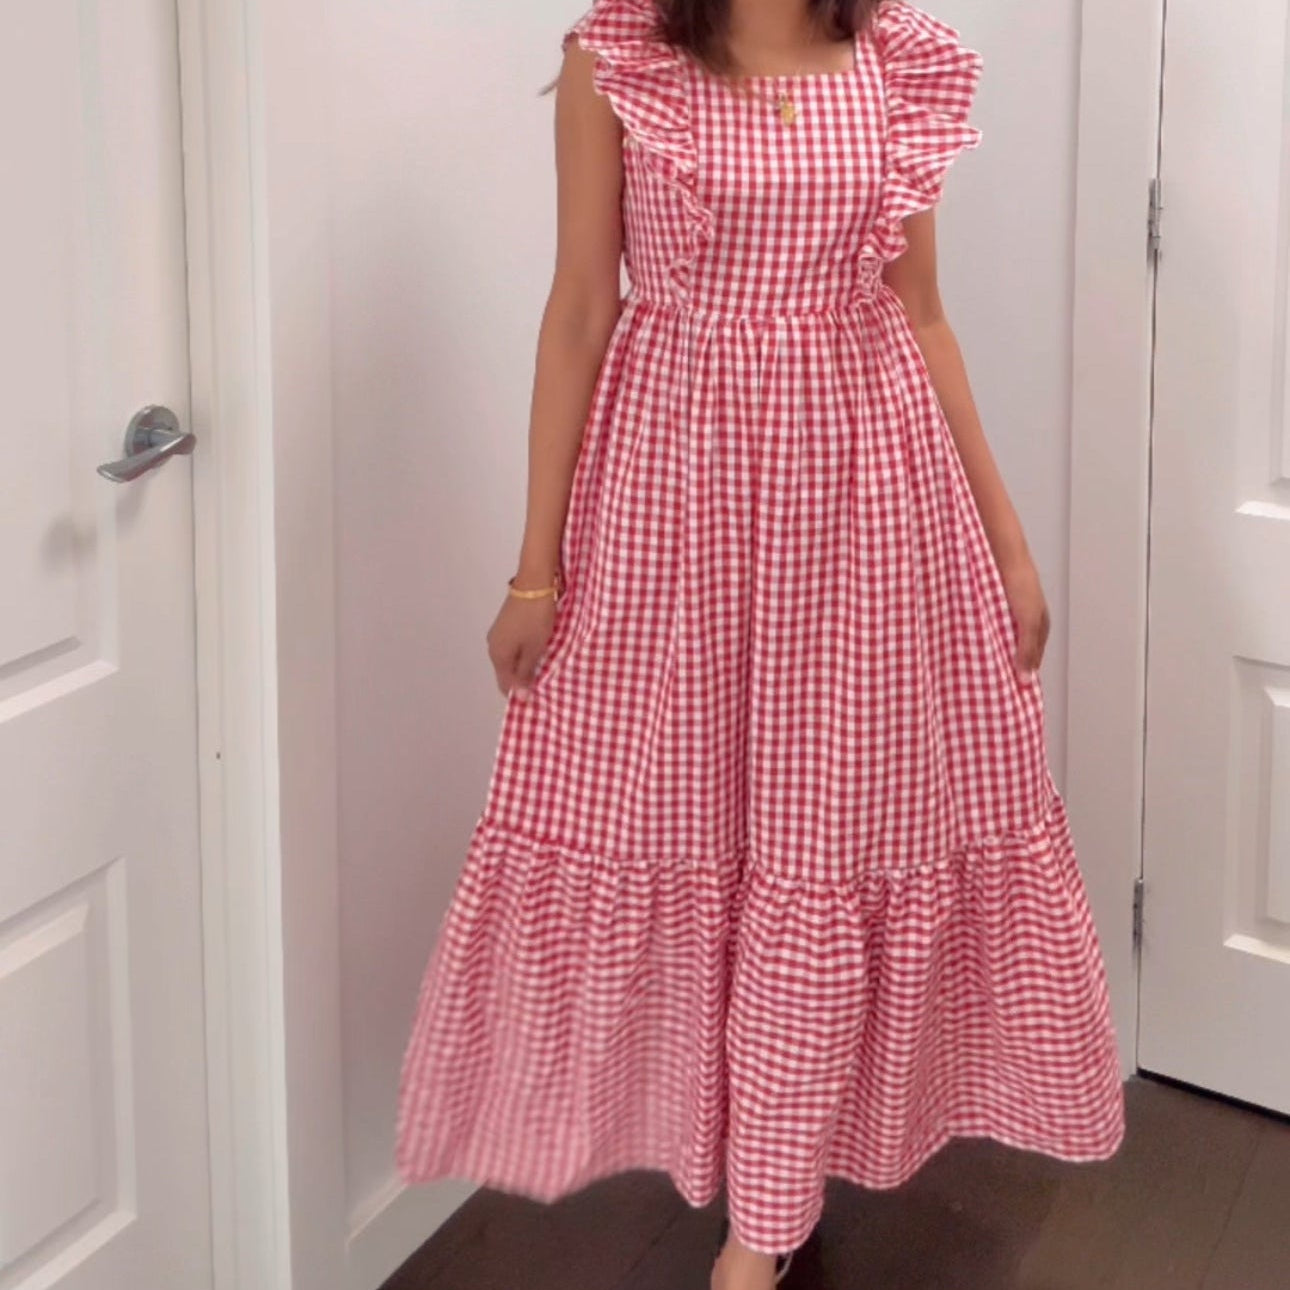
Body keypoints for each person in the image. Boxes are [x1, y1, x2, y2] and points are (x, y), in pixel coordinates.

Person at [395, 2, 1127, 1287]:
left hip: (863, 499)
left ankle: (765, 1221)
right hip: (678, 497)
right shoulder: (617, 61)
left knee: (825, 847)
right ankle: (725, 1154)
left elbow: (924, 316)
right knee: (686, 828)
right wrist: (534, 566)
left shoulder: (893, 60)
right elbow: (579, 309)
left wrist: (1009, 544)